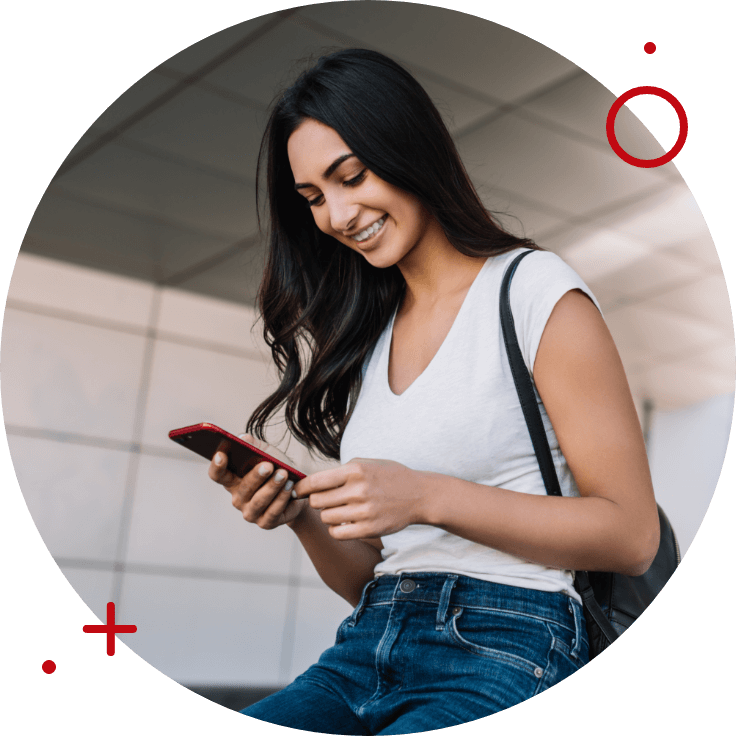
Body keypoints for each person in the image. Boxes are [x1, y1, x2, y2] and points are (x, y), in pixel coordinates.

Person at [207, 48, 660, 731]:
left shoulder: (533, 291)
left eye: (350, 177)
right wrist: (299, 513)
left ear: (407, 147)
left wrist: (425, 494)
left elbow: (631, 535)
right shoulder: (368, 337)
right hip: (369, 642)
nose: (335, 214)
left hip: (512, 642)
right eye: (313, 199)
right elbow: (371, 577)